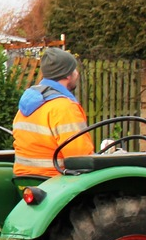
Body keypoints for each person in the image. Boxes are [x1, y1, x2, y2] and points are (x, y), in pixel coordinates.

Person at [13, 47, 93, 178]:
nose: (77, 74)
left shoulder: (28, 105)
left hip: (25, 180)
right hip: (56, 182)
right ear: (68, 74)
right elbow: (80, 158)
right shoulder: (64, 108)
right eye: (74, 69)